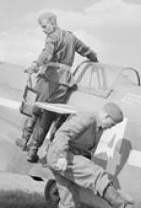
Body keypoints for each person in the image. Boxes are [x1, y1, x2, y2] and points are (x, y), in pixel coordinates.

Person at [16, 12, 99, 162]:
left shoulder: (53, 36)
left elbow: (46, 54)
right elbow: (86, 50)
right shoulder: (71, 37)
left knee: (36, 110)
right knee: (48, 115)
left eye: (44, 26)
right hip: (64, 82)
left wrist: (35, 64)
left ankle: (25, 141)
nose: (43, 30)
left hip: (49, 78)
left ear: (53, 23)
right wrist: (94, 58)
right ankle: (34, 151)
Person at [47, 102, 141, 208]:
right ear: (106, 116)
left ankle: (130, 202)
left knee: (69, 199)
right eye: (112, 123)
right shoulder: (88, 117)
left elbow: (87, 151)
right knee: (97, 174)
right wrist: (61, 157)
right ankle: (123, 206)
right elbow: (63, 133)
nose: (111, 127)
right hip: (61, 156)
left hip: (66, 157)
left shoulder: (98, 129)